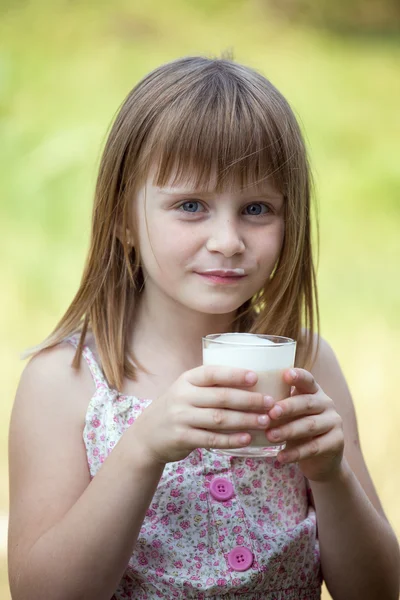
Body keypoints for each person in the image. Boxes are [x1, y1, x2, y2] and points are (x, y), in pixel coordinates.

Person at [8, 54, 399, 600]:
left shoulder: (305, 366)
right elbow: (42, 593)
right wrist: (142, 448)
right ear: (123, 216)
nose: (228, 240)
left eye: (257, 209)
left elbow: (378, 590)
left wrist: (332, 477)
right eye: (191, 205)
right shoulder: (66, 382)